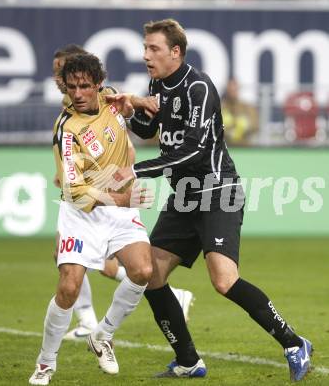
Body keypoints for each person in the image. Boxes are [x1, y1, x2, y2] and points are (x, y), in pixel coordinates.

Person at [107, 19, 313, 382]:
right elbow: (147, 129)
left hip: (218, 192)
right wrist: (125, 112)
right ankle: (188, 361)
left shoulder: (199, 87)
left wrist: (137, 171)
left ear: (176, 52)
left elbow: (194, 151)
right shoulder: (159, 84)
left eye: (153, 48)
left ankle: (295, 342)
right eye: (145, 48)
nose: (145, 55)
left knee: (224, 280)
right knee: (150, 275)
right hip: (184, 197)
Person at [51, 45, 195, 341]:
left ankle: (96, 324)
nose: (58, 78)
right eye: (58, 73)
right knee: (71, 258)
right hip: (96, 195)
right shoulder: (75, 110)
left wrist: (139, 103)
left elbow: (122, 121)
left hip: (110, 196)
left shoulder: (98, 100)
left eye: (60, 70)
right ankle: (90, 322)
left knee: (125, 266)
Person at [29, 53, 153, 385]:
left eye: (85, 86)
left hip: (119, 208)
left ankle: (102, 335)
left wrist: (139, 101)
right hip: (82, 212)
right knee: (69, 287)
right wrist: (126, 197)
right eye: (72, 88)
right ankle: (46, 362)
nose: (79, 93)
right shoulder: (67, 130)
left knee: (143, 270)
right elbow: (76, 193)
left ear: (98, 84)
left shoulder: (109, 97)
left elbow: (124, 105)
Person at [221, 78, 259, 146]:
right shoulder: (220, 108)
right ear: (227, 90)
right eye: (230, 90)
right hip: (225, 146)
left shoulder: (247, 107)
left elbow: (255, 126)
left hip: (244, 146)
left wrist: (244, 126)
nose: (233, 92)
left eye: (235, 90)